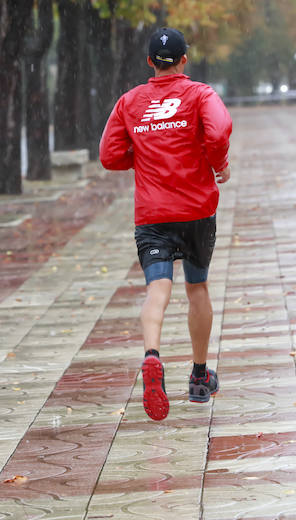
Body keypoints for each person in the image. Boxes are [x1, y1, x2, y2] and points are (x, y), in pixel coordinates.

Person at [99, 27, 232, 421]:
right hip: (196, 210)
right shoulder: (200, 95)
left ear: (149, 63)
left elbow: (109, 154)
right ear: (184, 60)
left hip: (153, 215)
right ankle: (198, 376)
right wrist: (216, 161)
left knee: (157, 290)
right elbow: (220, 130)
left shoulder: (130, 102)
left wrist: (141, 157)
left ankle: (152, 355)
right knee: (197, 287)